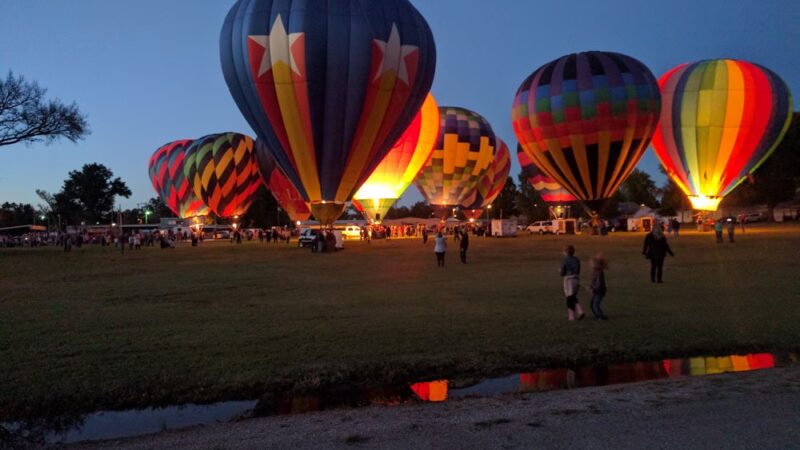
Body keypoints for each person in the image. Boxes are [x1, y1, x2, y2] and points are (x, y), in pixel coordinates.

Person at [560, 245, 585, 321]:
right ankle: (579, 311)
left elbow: (562, 272)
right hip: (576, 278)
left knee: (569, 298)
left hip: (569, 280)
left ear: (566, 252)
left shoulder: (565, 260)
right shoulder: (576, 259)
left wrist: (560, 271)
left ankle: (571, 316)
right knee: (573, 296)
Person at [589, 254, 608, 320]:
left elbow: (599, 284)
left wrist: (593, 288)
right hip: (596, 291)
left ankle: (601, 316)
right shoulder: (595, 272)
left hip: (599, 291)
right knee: (592, 304)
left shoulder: (599, 273)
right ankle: (597, 316)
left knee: (595, 304)